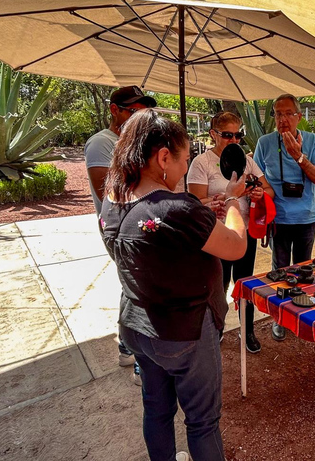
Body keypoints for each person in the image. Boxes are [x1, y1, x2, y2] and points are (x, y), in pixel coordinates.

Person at [100, 109, 247, 461]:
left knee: (157, 409)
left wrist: (199, 219)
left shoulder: (112, 200)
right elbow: (237, 246)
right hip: (185, 332)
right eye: (183, 160)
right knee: (202, 422)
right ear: (163, 156)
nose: (185, 170)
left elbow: (155, 249)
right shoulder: (175, 208)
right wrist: (232, 201)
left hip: (137, 325)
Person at [84, 85, 156, 382]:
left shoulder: (140, 143)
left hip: (142, 225)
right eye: (132, 111)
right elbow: (109, 191)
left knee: (135, 286)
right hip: (121, 227)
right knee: (138, 288)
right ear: (115, 110)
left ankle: (127, 348)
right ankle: (141, 360)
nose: (139, 116)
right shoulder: (101, 143)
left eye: (143, 112)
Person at [187, 111, 275, 354]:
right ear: (213, 134)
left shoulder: (246, 161)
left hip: (244, 233)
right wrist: (218, 201)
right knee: (218, 286)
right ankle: (216, 329)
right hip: (216, 234)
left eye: (239, 135)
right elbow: (193, 203)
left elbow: (269, 190)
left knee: (245, 283)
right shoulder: (201, 163)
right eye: (228, 135)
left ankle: (247, 331)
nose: (234, 140)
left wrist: (260, 193)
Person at [252, 94, 315, 341]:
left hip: (306, 217)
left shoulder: (313, 141)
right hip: (279, 218)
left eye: (287, 113)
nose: (282, 119)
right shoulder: (264, 143)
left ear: (299, 116)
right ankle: (280, 318)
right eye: (277, 113)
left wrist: (299, 157)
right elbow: (256, 175)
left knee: (304, 269)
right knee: (280, 271)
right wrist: (259, 190)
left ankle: (301, 314)